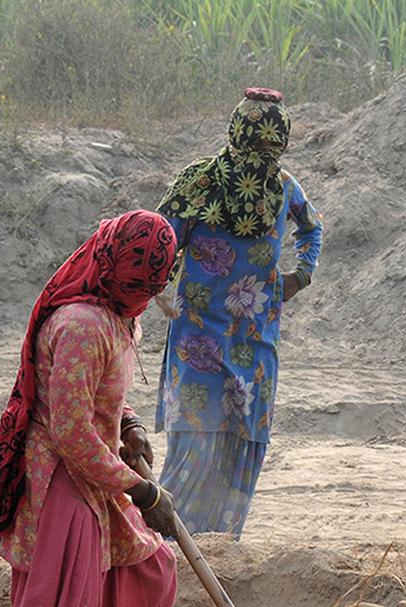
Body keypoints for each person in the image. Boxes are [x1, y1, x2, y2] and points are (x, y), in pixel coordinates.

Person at [0, 209, 180, 607]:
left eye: (149, 291)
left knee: (151, 571)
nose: (140, 299)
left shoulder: (116, 313)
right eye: (134, 287)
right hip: (64, 486)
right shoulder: (82, 324)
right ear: (111, 264)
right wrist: (143, 491)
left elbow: (96, 392)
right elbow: (72, 434)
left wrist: (129, 423)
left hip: (96, 475)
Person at [153, 88, 323, 538]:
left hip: (256, 342)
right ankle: (161, 548)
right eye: (257, 144)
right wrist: (158, 287)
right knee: (194, 447)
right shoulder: (199, 181)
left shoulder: (285, 189)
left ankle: (220, 548)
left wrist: (299, 276)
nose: (263, 156)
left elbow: (312, 228)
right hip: (197, 341)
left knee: (242, 446)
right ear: (236, 135)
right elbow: (159, 236)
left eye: (272, 147)